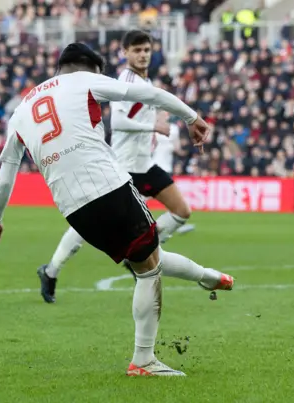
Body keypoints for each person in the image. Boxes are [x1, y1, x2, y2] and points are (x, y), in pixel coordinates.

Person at [0, 43, 234, 376]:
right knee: (148, 270)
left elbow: (6, 174)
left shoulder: (20, 111)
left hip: (73, 209)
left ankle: (207, 277)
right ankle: (143, 360)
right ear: (85, 68)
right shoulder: (84, 81)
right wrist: (192, 117)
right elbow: (151, 94)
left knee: (145, 256)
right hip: (108, 186)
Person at [37, 30, 196, 302]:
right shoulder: (126, 79)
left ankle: (144, 252)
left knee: (182, 211)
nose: (143, 55)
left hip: (145, 165)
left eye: (146, 50)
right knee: (84, 229)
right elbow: (118, 122)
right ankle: (51, 271)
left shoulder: (145, 80)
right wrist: (153, 125)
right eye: (137, 50)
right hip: (122, 168)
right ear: (125, 53)